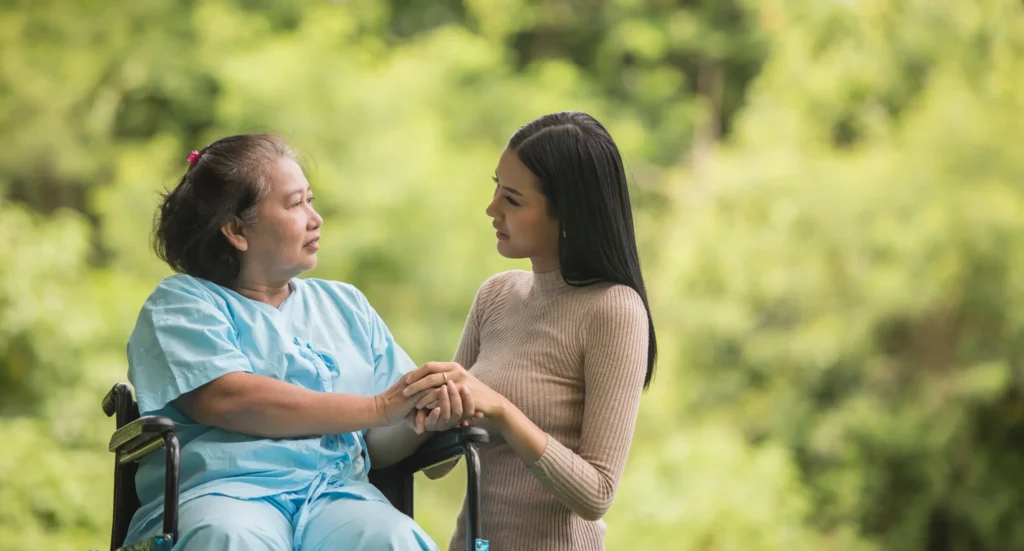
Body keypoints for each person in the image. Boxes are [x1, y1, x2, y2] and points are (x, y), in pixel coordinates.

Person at [123, 134, 472, 550]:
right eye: (295, 204)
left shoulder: (345, 305)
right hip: (223, 493)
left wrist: (422, 418)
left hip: (335, 496)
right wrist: (379, 407)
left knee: (393, 538)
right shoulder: (183, 304)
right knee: (231, 538)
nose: (315, 218)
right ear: (236, 230)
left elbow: (378, 445)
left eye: (311, 199)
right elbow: (231, 400)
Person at [404, 111, 657, 551]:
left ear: (568, 214)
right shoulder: (496, 295)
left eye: (513, 200)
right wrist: (431, 410)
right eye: (495, 189)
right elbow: (437, 465)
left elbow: (596, 494)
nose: (491, 209)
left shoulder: (614, 310)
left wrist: (501, 409)